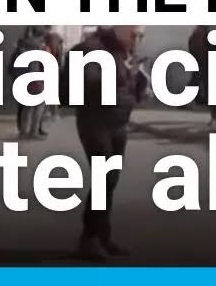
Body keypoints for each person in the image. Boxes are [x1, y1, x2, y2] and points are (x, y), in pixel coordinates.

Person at [72, 25, 144, 261]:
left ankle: (103, 236)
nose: (137, 40)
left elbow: (127, 88)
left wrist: (137, 83)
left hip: (118, 123)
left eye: (140, 36)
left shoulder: (122, 52)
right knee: (104, 179)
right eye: (134, 35)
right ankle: (89, 239)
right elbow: (89, 82)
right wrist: (119, 73)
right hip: (95, 122)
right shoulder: (90, 50)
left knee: (110, 181)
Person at [10, 26, 46, 138]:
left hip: (21, 79)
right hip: (35, 78)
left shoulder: (20, 46)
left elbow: (11, 65)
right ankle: (34, 132)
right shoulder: (40, 47)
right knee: (39, 106)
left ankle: (23, 131)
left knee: (26, 107)